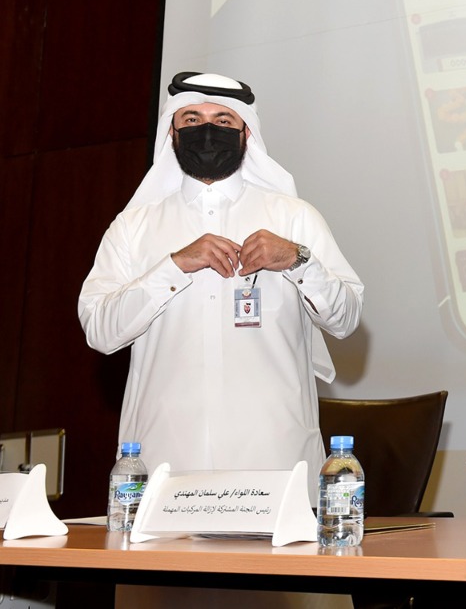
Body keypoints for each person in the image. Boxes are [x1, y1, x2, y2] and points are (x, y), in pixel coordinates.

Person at [79, 72, 364, 490]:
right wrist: (174, 266)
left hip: (274, 460)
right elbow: (100, 331)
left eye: (223, 121)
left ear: (246, 133)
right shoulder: (133, 227)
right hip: (165, 461)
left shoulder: (293, 217)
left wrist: (297, 259)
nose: (207, 131)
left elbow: (347, 318)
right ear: (172, 134)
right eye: (191, 120)